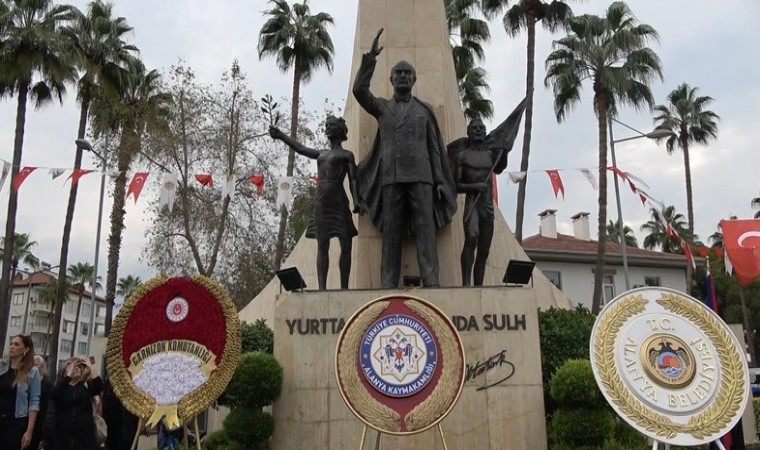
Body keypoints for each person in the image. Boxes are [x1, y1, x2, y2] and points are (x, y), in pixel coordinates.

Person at [353, 28, 457, 288]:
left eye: (407, 73)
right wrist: (370, 59)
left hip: (423, 177)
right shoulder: (382, 107)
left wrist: (440, 180)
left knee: (426, 229)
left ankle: (431, 280)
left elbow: (434, 148)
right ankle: (388, 284)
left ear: (413, 79)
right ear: (391, 79)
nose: (402, 76)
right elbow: (359, 91)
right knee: (391, 232)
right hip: (391, 177)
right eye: (398, 73)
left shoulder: (424, 110)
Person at [269, 115, 361, 290]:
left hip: (339, 201)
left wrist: (356, 201)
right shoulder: (321, 154)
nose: (327, 128)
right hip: (321, 202)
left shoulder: (346, 155)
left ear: (340, 131)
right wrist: (281, 136)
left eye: (331, 126)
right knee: (322, 244)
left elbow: (353, 180)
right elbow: (301, 149)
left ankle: (344, 288)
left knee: (346, 243)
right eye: (326, 126)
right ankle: (322, 288)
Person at [448, 101, 525, 286]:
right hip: (472, 203)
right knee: (472, 237)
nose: (478, 131)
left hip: (487, 205)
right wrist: (474, 187)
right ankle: (466, 284)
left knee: (484, 249)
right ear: (468, 132)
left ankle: (479, 286)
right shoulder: (462, 157)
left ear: (485, 132)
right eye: (474, 128)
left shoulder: (491, 155)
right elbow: (454, 185)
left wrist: (504, 151)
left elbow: (499, 168)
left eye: (481, 128)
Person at [51, 357, 104, 450]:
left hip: (84, 438)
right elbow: (54, 395)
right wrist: (69, 376)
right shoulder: (62, 386)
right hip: (63, 437)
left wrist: (90, 366)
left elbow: (99, 386)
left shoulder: (85, 387)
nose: (76, 368)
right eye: (72, 366)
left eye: (79, 367)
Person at [0, 334, 41, 450]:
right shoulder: (2, 367)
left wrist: (29, 431)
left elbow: (34, 402)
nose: (12, 347)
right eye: (11, 344)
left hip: (16, 421)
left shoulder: (32, 372)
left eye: (16, 344)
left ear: (26, 349)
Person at [31, 355, 53, 450]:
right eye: (33, 364)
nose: (34, 367)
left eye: (37, 364)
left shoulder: (48, 384)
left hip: (41, 418)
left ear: (42, 367)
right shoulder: (26, 381)